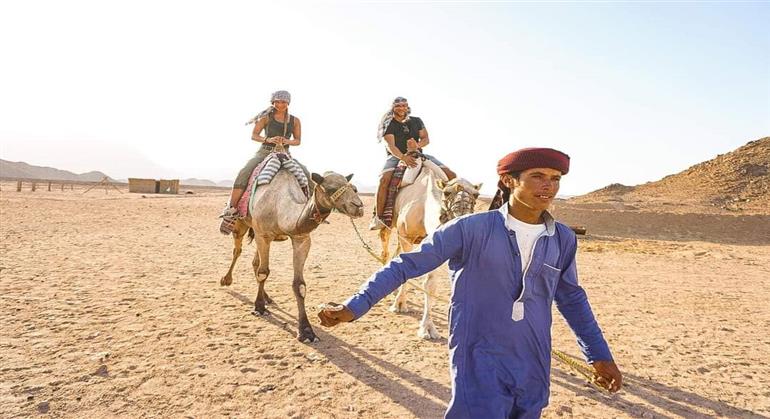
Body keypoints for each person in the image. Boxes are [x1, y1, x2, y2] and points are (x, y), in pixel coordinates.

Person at [319, 147, 622, 418]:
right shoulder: (469, 229)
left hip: (534, 360)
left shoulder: (562, 238)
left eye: (555, 179)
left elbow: (572, 299)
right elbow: (406, 264)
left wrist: (599, 355)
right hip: (478, 355)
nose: (549, 186)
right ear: (508, 181)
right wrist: (354, 305)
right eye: (538, 177)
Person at [219, 90, 309, 233]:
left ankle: (311, 210)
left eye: (283, 102)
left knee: (305, 173)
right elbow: (254, 135)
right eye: (277, 102)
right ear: (273, 102)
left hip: (285, 153)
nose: (280, 104)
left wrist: (287, 141)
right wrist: (268, 139)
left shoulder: (295, 120)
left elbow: (297, 140)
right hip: (265, 152)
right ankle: (231, 209)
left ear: (288, 103)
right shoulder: (266, 117)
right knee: (244, 172)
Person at [369, 96, 457, 230]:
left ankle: (455, 212)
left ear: (407, 107)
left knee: (452, 176)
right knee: (384, 180)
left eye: (404, 105)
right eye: (398, 106)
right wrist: (403, 157)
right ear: (393, 108)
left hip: (418, 154)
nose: (401, 108)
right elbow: (390, 146)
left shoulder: (416, 121)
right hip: (396, 156)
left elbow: (426, 138)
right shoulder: (389, 124)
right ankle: (378, 217)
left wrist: (417, 146)